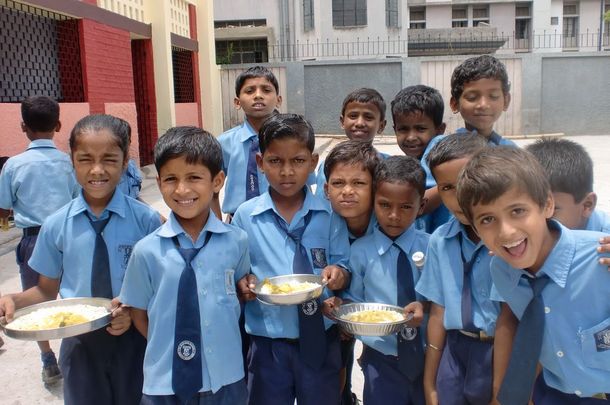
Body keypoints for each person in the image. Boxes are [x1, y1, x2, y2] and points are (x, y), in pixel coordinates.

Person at [0, 114, 162, 405]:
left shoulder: (146, 220)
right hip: (79, 345)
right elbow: (46, 290)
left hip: (135, 339)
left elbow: (161, 286)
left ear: (125, 162)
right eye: (85, 159)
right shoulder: (56, 225)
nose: (97, 170)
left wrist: (133, 309)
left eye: (110, 159)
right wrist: (13, 300)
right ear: (71, 161)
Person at [456, 146, 610, 405]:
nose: (506, 232)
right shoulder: (502, 270)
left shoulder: (601, 259)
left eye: (517, 211)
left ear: (547, 204)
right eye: (487, 219)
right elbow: (530, 331)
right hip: (553, 395)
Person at [120, 127, 251, 404]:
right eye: (171, 179)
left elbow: (240, 295)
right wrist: (174, 345)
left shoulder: (236, 241)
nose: (182, 189)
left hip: (226, 377)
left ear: (217, 181)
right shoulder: (146, 251)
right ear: (158, 182)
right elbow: (139, 314)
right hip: (164, 381)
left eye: (194, 177)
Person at [233, 113, 351, 405]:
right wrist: (244, 284)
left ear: (312, 163)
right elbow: (239, 273)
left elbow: (344, 265)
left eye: (297, 161)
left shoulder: (330, 215)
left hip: (321, 340)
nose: (287, 171)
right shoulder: (245, 217)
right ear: (261, 163)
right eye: (275, 161)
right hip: (268, 342)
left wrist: (338, 273)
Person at [330, 155, 429, 405]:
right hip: (381, 359)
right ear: (374, 203)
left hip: (429, 358)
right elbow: (355, 300)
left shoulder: (433, 248)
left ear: (422, 206)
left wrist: (425, 309)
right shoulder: (361, 251)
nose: (394, 215)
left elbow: (444, 297)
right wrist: (342, 312)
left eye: (406, 207)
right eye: (385, 205)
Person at [0, 95, 79, 385]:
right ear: (58, 125)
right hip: (70, 236)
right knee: (76, 295)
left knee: (37, 302)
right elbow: (76, 199)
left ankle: (48, 359)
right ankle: (81, 352)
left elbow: (5, 204)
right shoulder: (68, 162)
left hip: (33, 240)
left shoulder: (13, 166)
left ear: (23, 127)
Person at [415, 133, 497, 405]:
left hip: (500, 351)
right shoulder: (440, 239)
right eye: (447, 187)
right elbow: (438, 312)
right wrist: (431, 383)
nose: (459, 195)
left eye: (467, 182)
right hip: (455, 351)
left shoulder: (513, 240)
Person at [323, 140, 381, 405]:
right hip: (334, 311)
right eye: (338, 183)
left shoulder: (390, 222)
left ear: (375, 187)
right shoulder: (320, 221)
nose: (347, 192)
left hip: (379, 313)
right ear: (326, 189)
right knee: (337, 371)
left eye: (358, 183)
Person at [215, 66, 283, 220]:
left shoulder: (291, 141)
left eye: (266, 90)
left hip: (281, 222)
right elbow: (212, 189)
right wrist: (218, 228)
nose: (258, 96)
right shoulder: (224, 143)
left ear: (278, 100)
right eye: (250, 91)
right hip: (237, 222)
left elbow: (303, 186)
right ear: (237, 102)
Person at [391, 85, 449, 234]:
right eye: (403, 129)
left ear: (439, 129)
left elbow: (418, 203)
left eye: (420, 129)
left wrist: (451, 185)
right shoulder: (411, 161)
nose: (411, 137)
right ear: (394, 129)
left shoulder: (437, 147)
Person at [526, 137, 610, 233]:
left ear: (587, 205)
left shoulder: (605, 240)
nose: (534, 222)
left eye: (550, 207)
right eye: (521, 210)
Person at [314, 88, 388, 195]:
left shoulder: (387, 164)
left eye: (368, 117)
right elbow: (323, 206)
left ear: (381, 125)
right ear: (342, 121)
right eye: (353, 116)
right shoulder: (330, 164)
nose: (359, 123)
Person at [449, 55, 516, 146]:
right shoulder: (443, 147)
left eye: (493, 96)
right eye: (472, 97)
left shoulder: (511, 150)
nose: (483, 105)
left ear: (506, 101)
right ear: (455, 104)